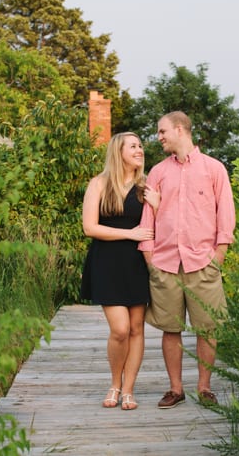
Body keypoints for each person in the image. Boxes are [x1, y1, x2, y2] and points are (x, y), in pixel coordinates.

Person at [138, 111, 236, 408]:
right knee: (171, 329)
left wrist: (218, 256)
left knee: (208, 329)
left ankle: (204, 388)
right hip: (165, 264)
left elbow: (225, 217)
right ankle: (176, 389)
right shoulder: (157, 172)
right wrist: (150, 260)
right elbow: (147, 220)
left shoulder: (214, 169)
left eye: (162, 131)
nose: (159, 136)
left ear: (180, 130)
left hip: (203, 263)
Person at [81, 132, 159, 411]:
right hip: (107, 262)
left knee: (137, 329)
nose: (140, 150)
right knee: (120, 329)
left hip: (138, 263)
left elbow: (159, 225)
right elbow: (90, 228)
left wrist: (158, 206)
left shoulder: (146, 187)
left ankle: (128, 390)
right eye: (133, 146)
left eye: (141, 146)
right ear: (118, 151)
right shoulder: (99, 183)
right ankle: (114, 382)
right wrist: (130, 233)